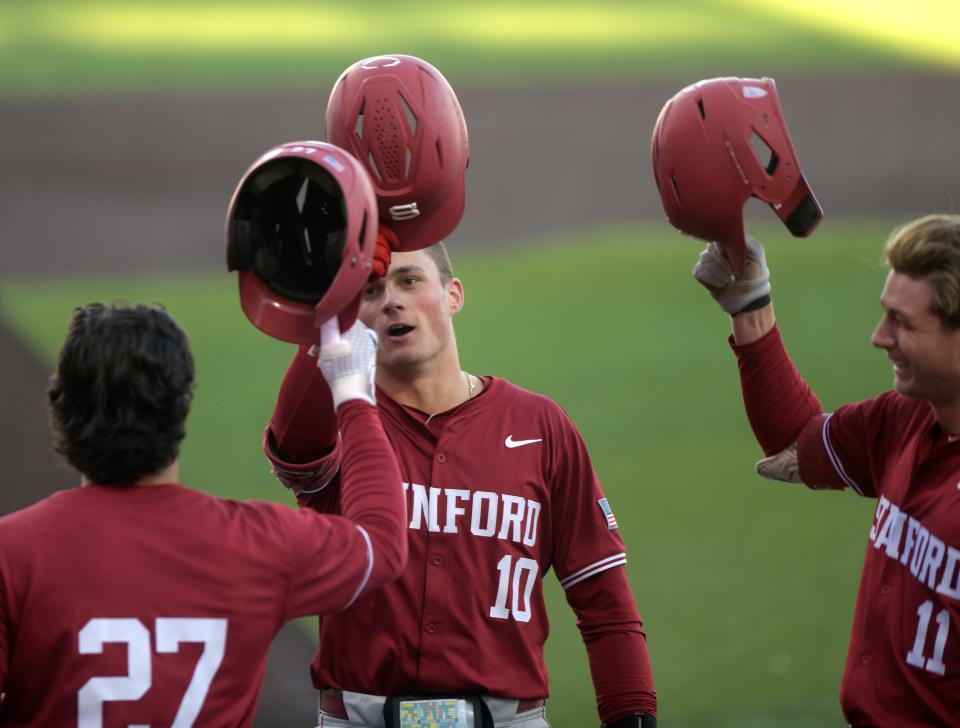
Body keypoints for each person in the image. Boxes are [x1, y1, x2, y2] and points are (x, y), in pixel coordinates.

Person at [265, 242, 657, 728]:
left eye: (409, 280)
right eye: (370, 291)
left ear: (453, 295)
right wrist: (328, 311)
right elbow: (294, 441)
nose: (391, 300)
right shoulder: (340, 426)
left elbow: (602, 595)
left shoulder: (541, 425)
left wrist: (632, 712)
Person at [0, 302, 407, 726]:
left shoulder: (12, 553)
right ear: (179, 407)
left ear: (61, 407)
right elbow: (381, 543)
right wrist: (354, 396)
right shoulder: (258, 543)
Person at [693, 214, 960, 726]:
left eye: (902, 322)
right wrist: (751, 307)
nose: (879, 337)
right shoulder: (907, 420)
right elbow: (798, 441)